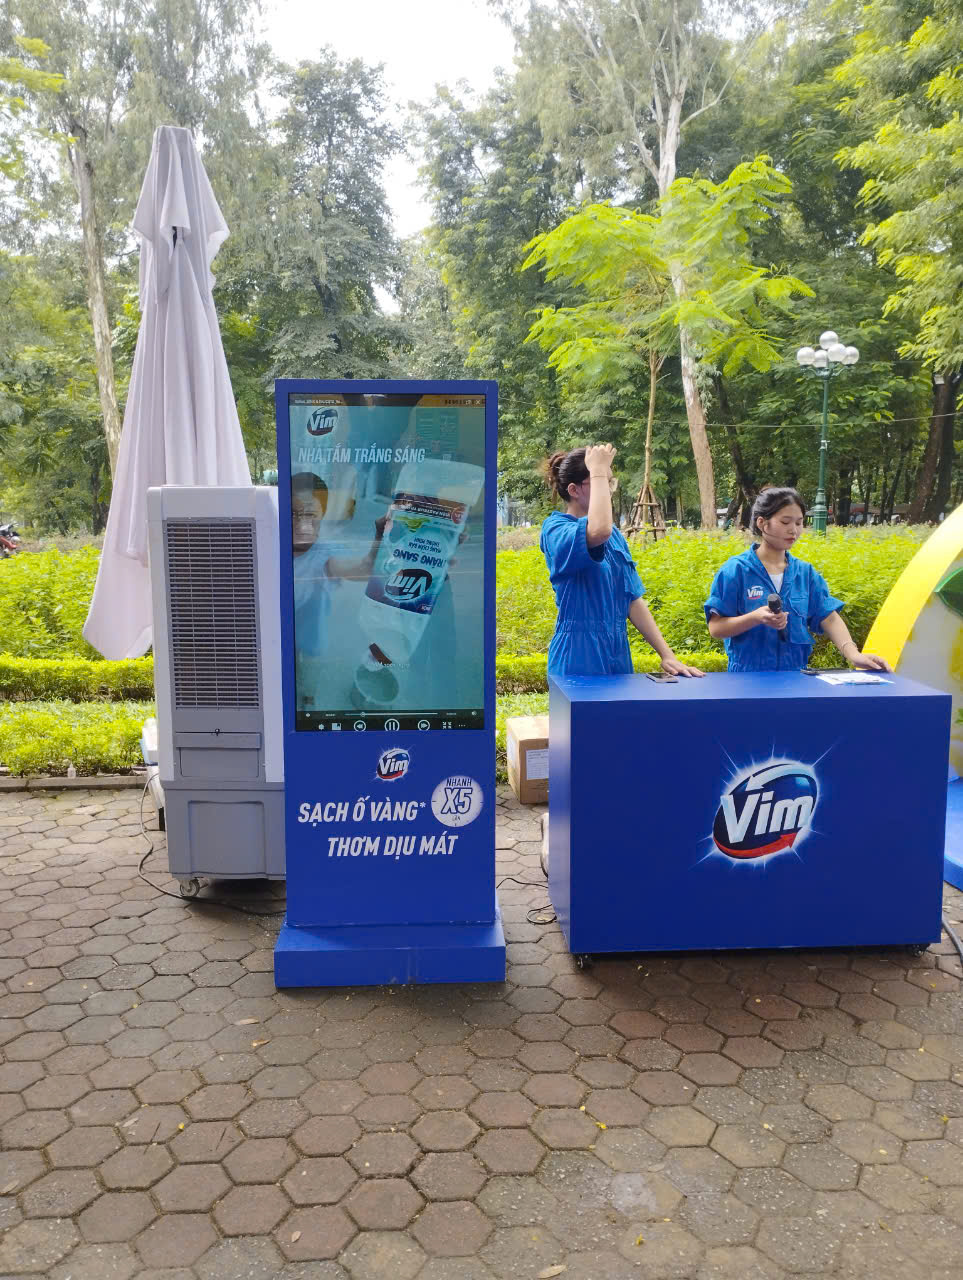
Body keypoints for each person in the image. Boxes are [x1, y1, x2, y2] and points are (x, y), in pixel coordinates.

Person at [540, 444, 703, 678]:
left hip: (617, 651)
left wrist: (667, 655)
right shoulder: (555, 529)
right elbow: (598, 531)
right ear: (574, 490)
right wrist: (597, 469)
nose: (608, 490)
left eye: (609, 482)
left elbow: (632, 600)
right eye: (600, 482)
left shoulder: (614, 535)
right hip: (578, 652)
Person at [704, 486, 892, 672]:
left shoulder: (805, 573)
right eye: (785, 522)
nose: (793, 530)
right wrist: (754, 618)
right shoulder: (736, 570)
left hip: (796, 677)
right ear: (762, 523)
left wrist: (854, 655)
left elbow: (829, 617)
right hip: (747, 677)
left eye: (799, 523)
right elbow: (716, 627)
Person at [291, 471, 388, 709]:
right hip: (283, 629)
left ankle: (308, 700)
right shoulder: (272, 543)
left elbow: (363, 568)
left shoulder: (324, 554)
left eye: (310, 514)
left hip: (310, 631)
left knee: (309, 673)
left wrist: (380, 537)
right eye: (293, 513)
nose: (302, 524)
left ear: (322, 515)